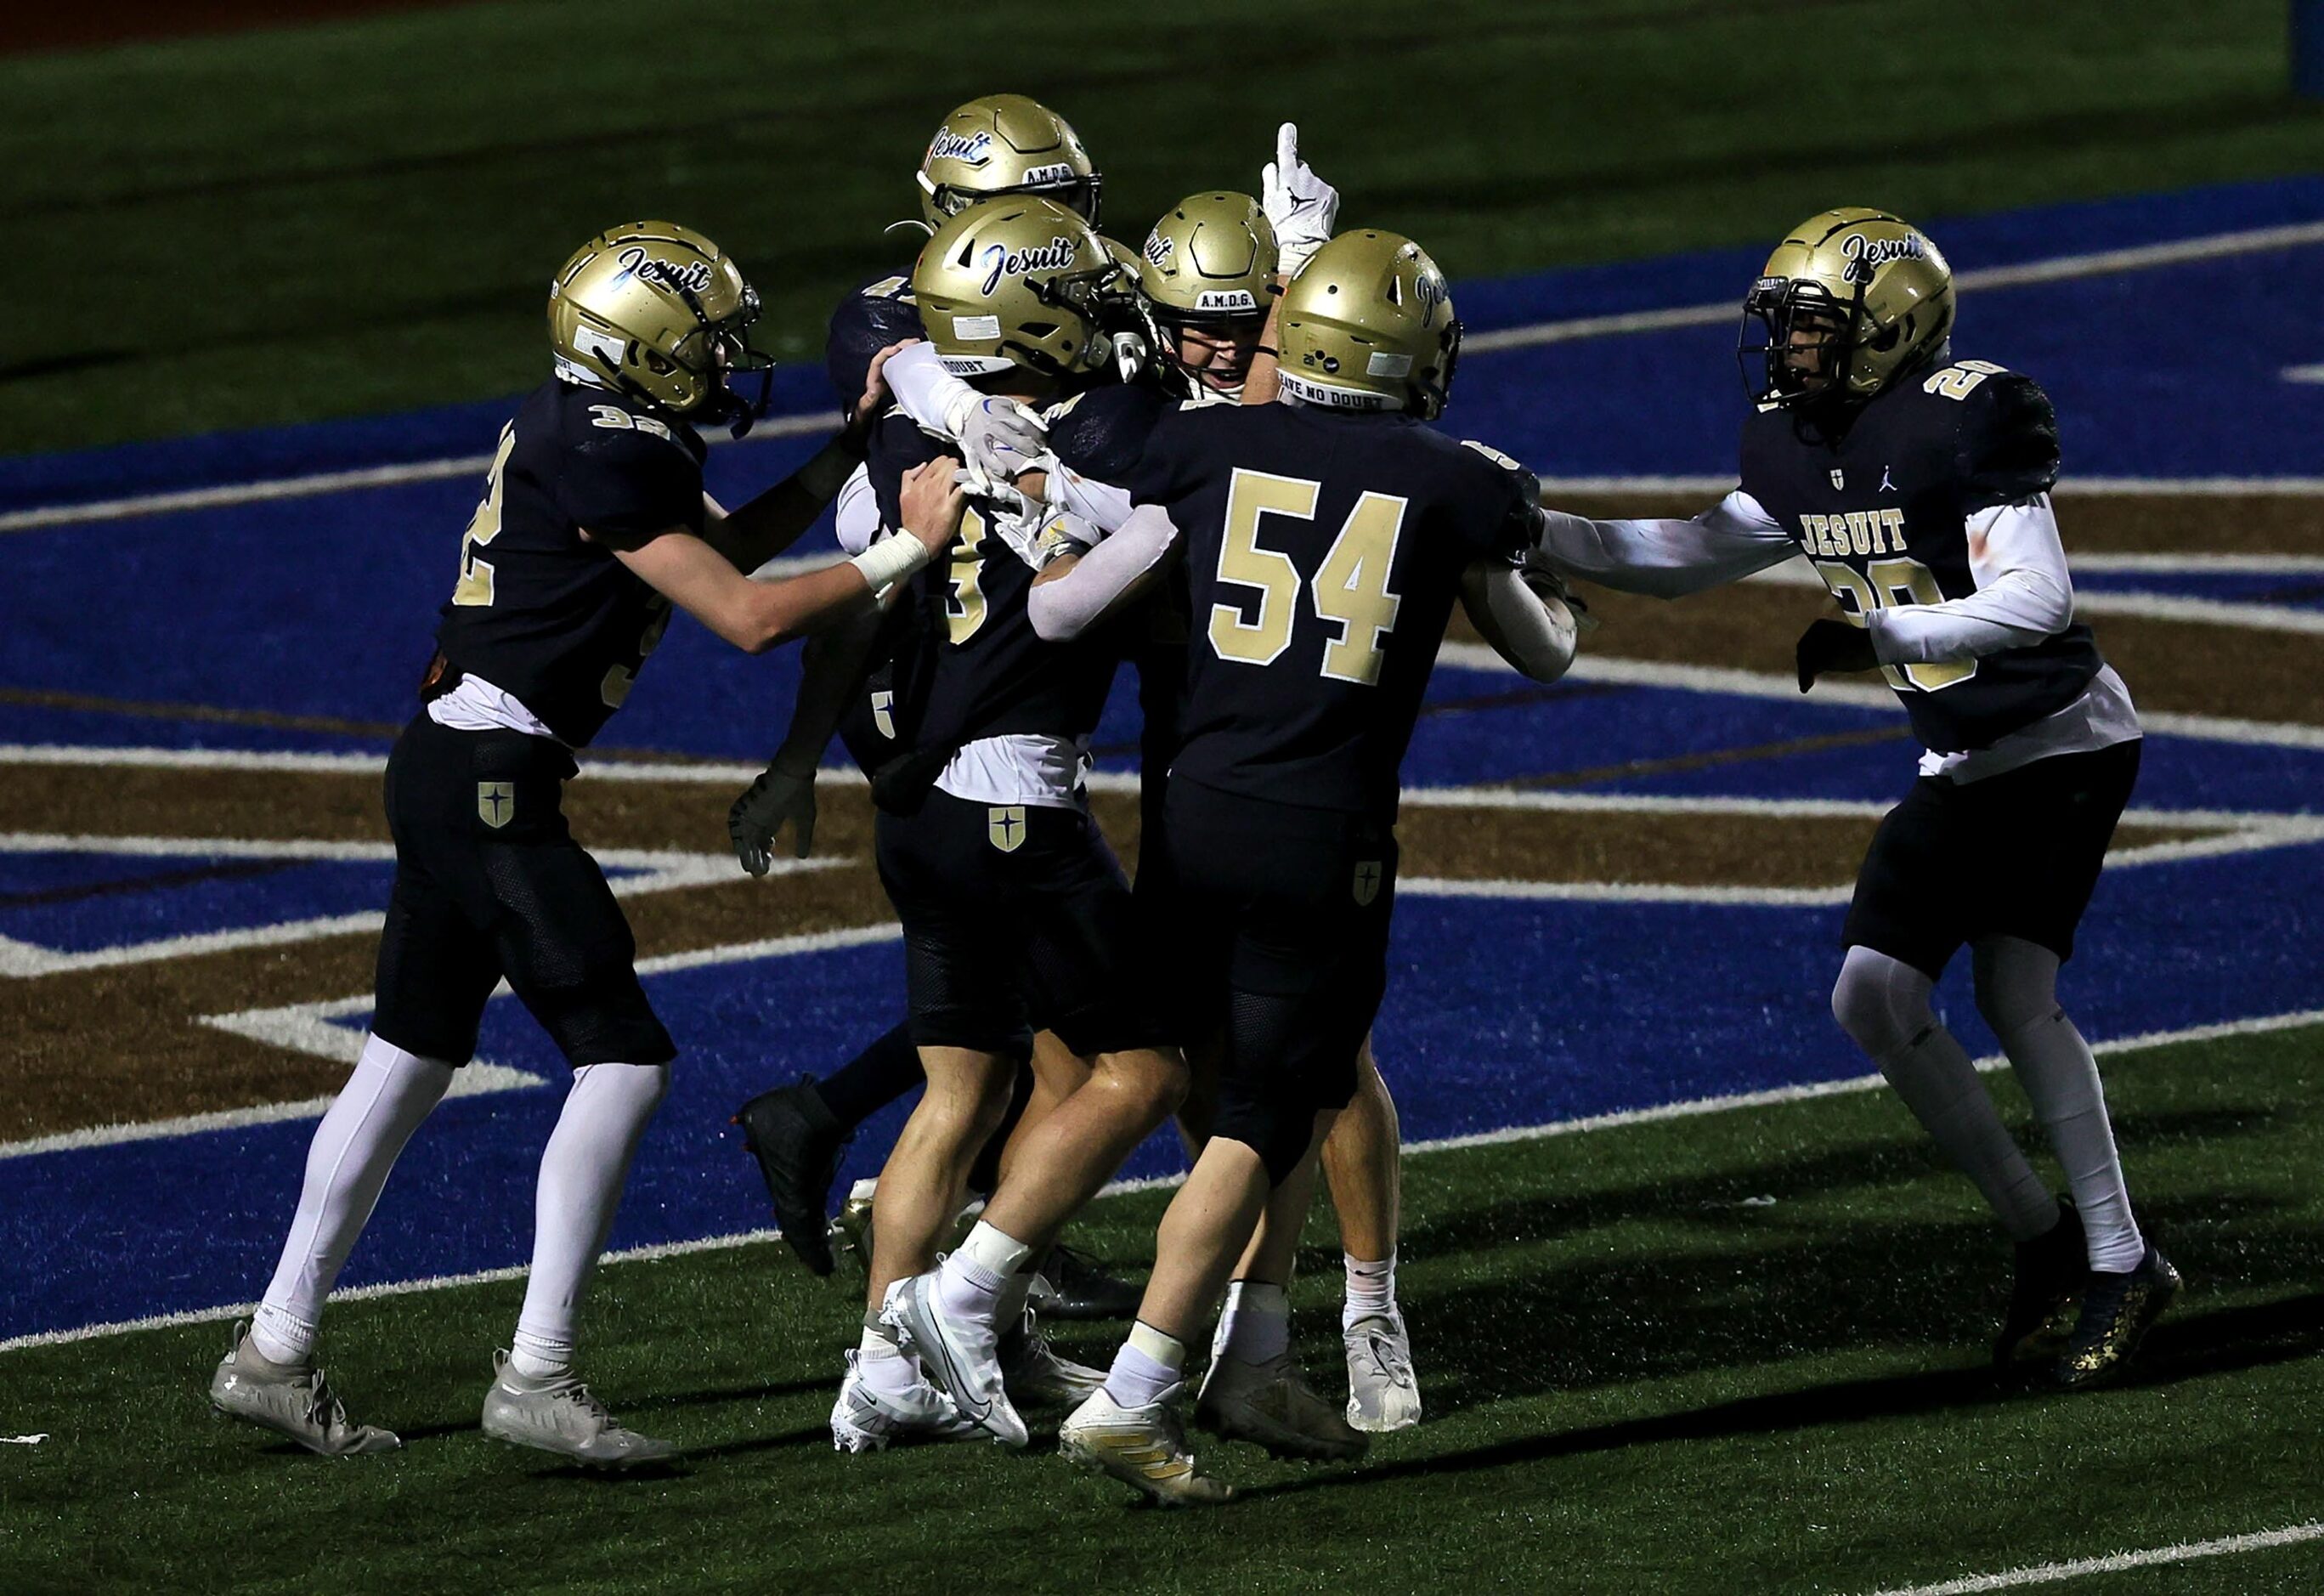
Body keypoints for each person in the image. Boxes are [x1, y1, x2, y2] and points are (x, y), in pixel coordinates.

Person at [206, 220, 964, 1464]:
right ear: (641, 352)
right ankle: (538, 1374)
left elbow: (714, 550)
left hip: (454, 763)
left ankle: (275, 1349)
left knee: (405, 1058)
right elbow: (748, 615)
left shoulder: (599, 430)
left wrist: (841, 456)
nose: (729, 360)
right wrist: (904, 544)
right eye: (706, 342)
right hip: (493, 779)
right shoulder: (606, 445)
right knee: (620, 1063)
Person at [1528, 207, 2178, 1389]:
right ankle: (2049, 1240)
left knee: (2014, 995)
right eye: (1784, 326)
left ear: (1891, 323)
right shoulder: (1793, 441)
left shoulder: (1963, 417)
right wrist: (1537, 528)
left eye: (1813, 325)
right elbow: (1688, 551)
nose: (1790, 349)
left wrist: (1881, 627)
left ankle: (2119, 1257)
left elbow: (2036, 605)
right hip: (1965, 759)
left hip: (2057, 741)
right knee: (1875, 995)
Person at [1020, 229, 1576, 1503]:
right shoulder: (1448, 481)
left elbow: (1108, 450)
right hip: (1320, 834)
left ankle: (1222, 1355)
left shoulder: (1206, 442)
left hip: (1190, 810)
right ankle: (1143, 1385)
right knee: (1270, 1112)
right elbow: (1544, 650)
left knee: (1218, 1087)